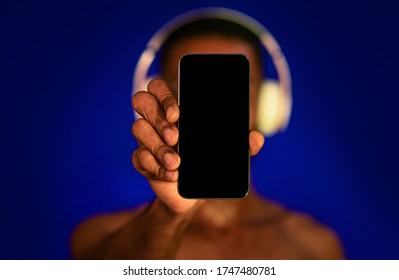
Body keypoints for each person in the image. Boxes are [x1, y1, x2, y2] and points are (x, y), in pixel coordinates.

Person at [70, 11, 345, 260]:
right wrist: (170, 214)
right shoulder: (100, 238)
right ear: (159, 103)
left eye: (234, 87)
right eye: (194, 87)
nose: (214, 106)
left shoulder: (317, 247)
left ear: (268, 105)